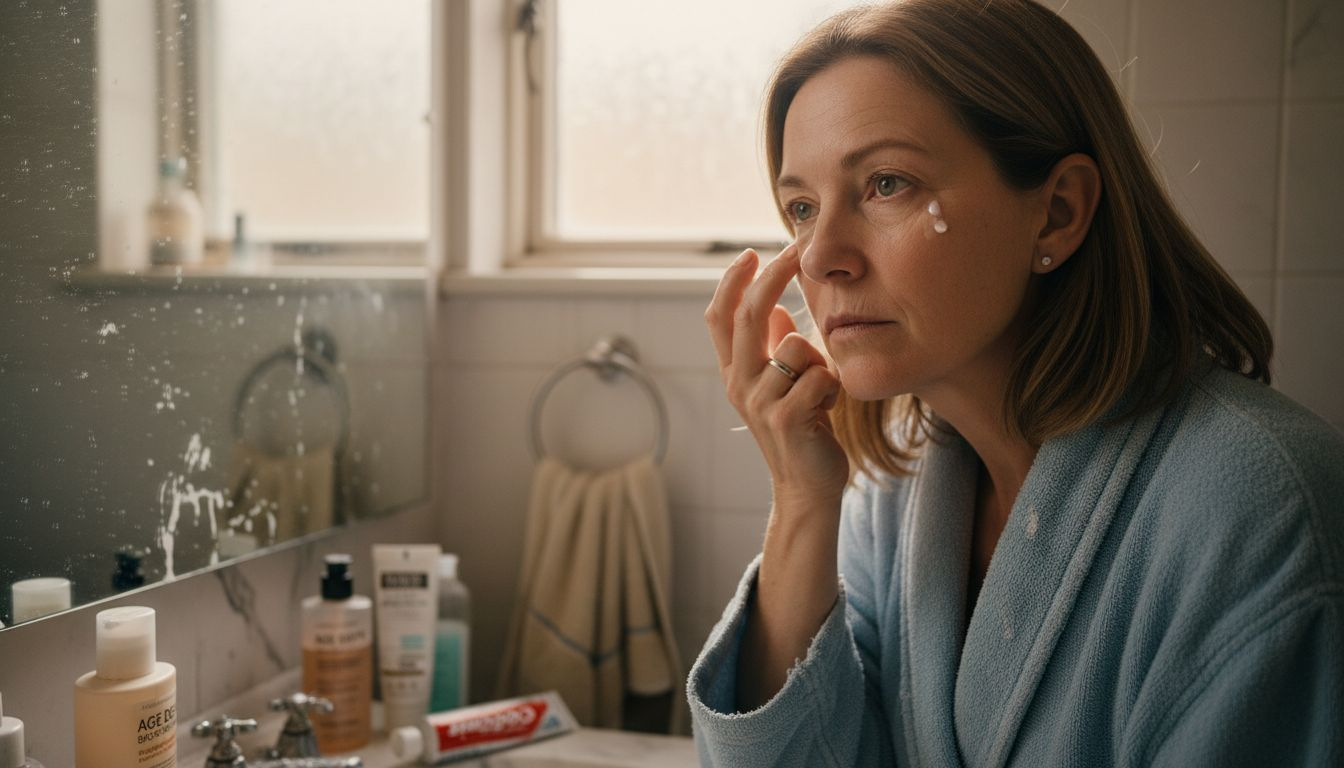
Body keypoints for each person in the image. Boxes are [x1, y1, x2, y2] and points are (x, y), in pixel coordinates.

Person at [688, 0, 1344, 766]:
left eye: (886, 184)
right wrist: (802, 505)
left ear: (1057, 213)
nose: (819, 256)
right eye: (801, 207)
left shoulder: (1263, 512)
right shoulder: (888, 504)